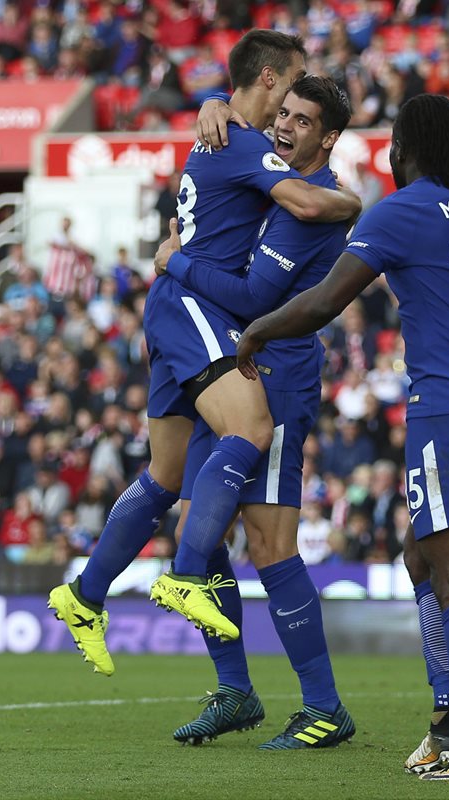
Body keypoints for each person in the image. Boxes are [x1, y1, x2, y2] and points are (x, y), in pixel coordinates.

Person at [237, 94, 449, 782]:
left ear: (402, 149)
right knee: (421, 559)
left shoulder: (399, 209)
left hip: (447, 411)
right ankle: (448, 725)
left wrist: (261, 328)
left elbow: (328, 300)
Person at [48, 30, 359, 678]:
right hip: (192, 304)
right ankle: (186, 573)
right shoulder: (243, 144)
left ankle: (83, 594)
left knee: (164, 476)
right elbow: (302, 201)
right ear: (271, 79)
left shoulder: (219, 132)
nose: (289, 110)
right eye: (292, 84)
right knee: (249, 425)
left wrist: (215, 100)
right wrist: (359, 205)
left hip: (175, 306)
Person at [155, 76, 357, 749]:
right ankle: (235, 689)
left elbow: (253, 300)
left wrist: (177, 263)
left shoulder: (312, 209)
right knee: (200, 528)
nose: (285, 126)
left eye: (303, 121)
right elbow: (236, 81)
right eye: (285, 114)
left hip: (276, 377)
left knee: (270, 545)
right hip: (233, 376)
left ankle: (325, 707)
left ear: (327, 137)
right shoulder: (266, 176)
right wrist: (214, 97)